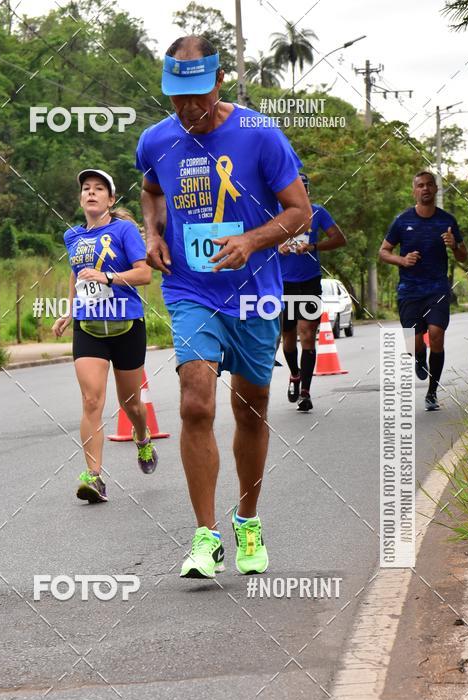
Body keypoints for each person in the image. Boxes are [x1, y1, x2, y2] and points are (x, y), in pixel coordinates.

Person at [135, 35, 311, 578]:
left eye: (196, 96)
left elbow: (300, 211)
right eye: (176, 97)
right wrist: (153, 231)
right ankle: (206, 535)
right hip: (191, 288)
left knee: (250, 407)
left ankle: (249, 522)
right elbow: (150, 189)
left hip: (254, 290)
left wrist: (253, 241)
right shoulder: (156, 140)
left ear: (217, 83)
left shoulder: (260, 134)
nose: (186, 108)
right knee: (195, 402)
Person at [52, 168, 157, 502]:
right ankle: (94, 476)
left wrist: (108, 277)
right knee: (91, 400)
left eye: (99, 189)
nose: (91, 193)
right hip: (89, 327)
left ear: (111, 200)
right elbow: (77, 276)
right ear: (81, 197)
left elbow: (144, 275)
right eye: (86, 188)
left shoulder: (124, 230)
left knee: (131, 404)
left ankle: (142, 438)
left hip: (126, 325)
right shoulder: (72, 237)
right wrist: (69, 311)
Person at [379, 171, 468, 411]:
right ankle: (419, 357)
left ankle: (432, 392)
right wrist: (402, 260)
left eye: (430, 185)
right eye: (420, 185)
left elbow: (464, 255)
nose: (425, 189)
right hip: (408, 291)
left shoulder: (447, 220)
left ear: (436, 189)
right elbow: (383, 251)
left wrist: (454, 245)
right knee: (413, 343)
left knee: (437, 333)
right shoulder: (402, 220)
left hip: (437, 289)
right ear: (414, 191)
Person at [279, 173, 347, 412]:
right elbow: (257, 245)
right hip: (283, 283)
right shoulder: (274, 214)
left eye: (303, 188)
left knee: (307, 334)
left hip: (309, 281)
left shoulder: (318, 212)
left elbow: (339, 239)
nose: (300, 191)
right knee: (288, 337)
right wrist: (277, 247)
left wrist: (314, 246)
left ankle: (306, 392)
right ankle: (295, 375)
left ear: (307, 191)